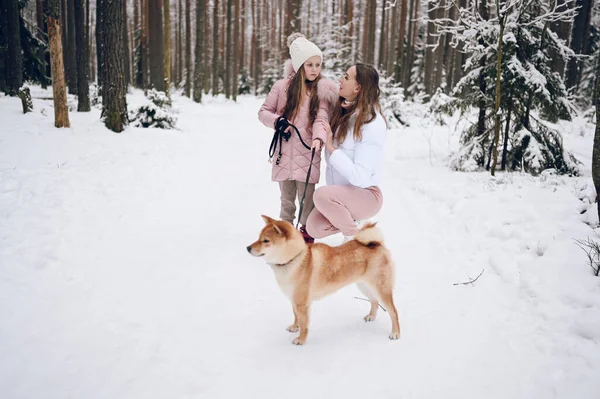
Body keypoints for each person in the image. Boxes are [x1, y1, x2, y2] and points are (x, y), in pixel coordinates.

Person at [258, 33, 338, 243]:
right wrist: (277, 121)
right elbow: (264, 112)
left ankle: (305, 236)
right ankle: (285, 236)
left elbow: (322, 118)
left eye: (318, 64)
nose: (314, 69)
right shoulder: (281, 87)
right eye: (309, 64)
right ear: (299, 64)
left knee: (306, 202)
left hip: (308, 154)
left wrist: (319, 138)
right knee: (286, 201)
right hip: (284, 154)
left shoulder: (321, 91)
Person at [305, 64, 387, 241]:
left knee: (321, 195)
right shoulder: (343, 114)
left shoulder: (371, 123)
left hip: (367, 195)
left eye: (347, 77)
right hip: (343, 197)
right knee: (314, 227)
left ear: (358, 88)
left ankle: (354, 239)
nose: (341, 80)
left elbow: (361, 178)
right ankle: (354, 223)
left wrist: (331, 148)